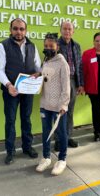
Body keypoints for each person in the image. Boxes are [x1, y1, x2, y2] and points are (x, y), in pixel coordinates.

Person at [0, 18, 41, 165]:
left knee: (26, 119)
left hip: (28, 90)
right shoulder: (3, 46)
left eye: (22, 29)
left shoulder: (32, 46)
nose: (19, 32)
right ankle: (10, 151)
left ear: (26, 31)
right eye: (15, 28)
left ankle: (27, 147)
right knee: (10, 120)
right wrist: (8, 85)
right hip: (11, 91)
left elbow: (38, 66)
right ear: (10, 29)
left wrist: (38, 74)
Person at [36, 33, 70, 176]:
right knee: (46, 132)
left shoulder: (62, 62)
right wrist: (36, 75)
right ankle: (46, 157)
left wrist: (64, 104)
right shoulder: (46, 61)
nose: (48, 48)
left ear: (57, 46)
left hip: (58, 106)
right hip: (45, 104)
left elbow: (66, 86)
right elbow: (45, 78)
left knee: (61, 133)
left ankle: (62, 159)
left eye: (51, 46)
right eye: (46, 46)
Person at [55, 21, 84, 150]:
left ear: (73, 31)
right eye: (64, 29)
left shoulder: (76, 46)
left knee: (70, 111)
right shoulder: (55, 45)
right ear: (60, 30)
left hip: (73, 81)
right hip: (59, 82)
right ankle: (58, 139)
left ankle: (67, 137)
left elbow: (80, 66)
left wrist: (80, 84)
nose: (67, 31)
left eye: (69, 29)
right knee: (59, 111)